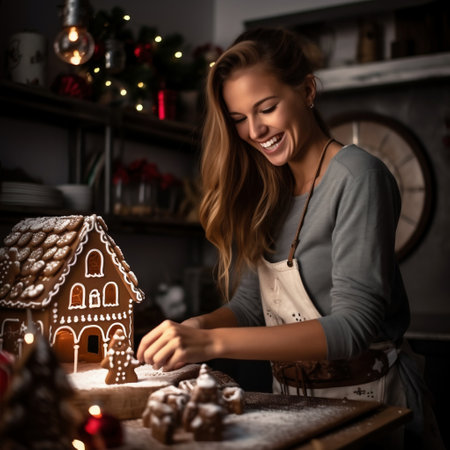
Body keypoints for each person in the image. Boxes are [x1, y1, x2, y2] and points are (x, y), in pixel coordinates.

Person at [137, 27, 443, 449]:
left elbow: (354, 328)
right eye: (239, 119)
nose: (256, 131)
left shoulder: (358, 177)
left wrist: (208, 341)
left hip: (373, 406)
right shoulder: (267, 192)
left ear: (308, 91)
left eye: (267, 108)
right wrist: (196, 325)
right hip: (295, 406)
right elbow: (251, 307)